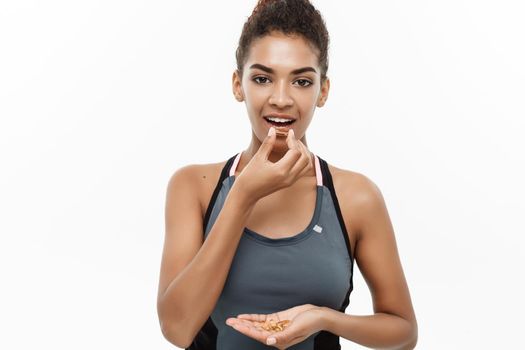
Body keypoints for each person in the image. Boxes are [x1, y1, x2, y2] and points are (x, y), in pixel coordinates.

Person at [157, 1, 418, 349]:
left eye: (302, 81)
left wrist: (324, 318)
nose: (281, 98)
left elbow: (403, 332)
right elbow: (177, 328)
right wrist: (244, 195)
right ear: (239, 85)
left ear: (322, 91)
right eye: (263, 78)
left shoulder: (356, 197)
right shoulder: (195, 187)